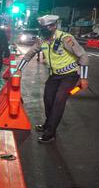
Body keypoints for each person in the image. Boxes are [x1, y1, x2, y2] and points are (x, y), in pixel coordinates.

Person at [16, 15, 89, 144]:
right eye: (42, 27)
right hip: (54, 75)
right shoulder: (42, 41)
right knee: (48, 99)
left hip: (70, 75)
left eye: (47, 27)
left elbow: (83, 56)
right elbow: (29, 54)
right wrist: (19, 69)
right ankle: (48, 124)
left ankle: (50, 133)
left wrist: (83, 78)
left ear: (54, 26)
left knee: (58, 102)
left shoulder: (65, 38)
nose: (44, 29)